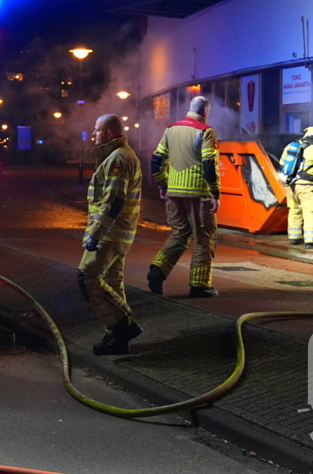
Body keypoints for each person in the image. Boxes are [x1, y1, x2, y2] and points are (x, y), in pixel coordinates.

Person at [79, 114, 143, 356]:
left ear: (107, 133)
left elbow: (114, 200)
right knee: (113, 283)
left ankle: (122, 326)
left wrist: (95, 233)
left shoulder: (118, 159)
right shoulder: (118, 156)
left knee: (87, 277)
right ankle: (118, 340)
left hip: (110, 233)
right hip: (118, 231)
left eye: (96, 130)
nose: (93, 135)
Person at [147, 96, 221, 298]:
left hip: (174, 192)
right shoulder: (205, 131)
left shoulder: (170, 129)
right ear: (205, 110)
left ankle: (158, 270)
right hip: (198, 195)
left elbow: (155, 160)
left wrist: (163, 184)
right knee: (204, 238)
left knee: (179, 233)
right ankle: (200, 285)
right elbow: (208, 164)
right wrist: (214, 193)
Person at [283, 126, 313, 249]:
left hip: (292, 185)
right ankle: (311, 241)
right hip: (307, 186)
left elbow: (282, 163)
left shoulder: (291, 146)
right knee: (310, 212)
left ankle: (294, 237)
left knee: (294, 210)